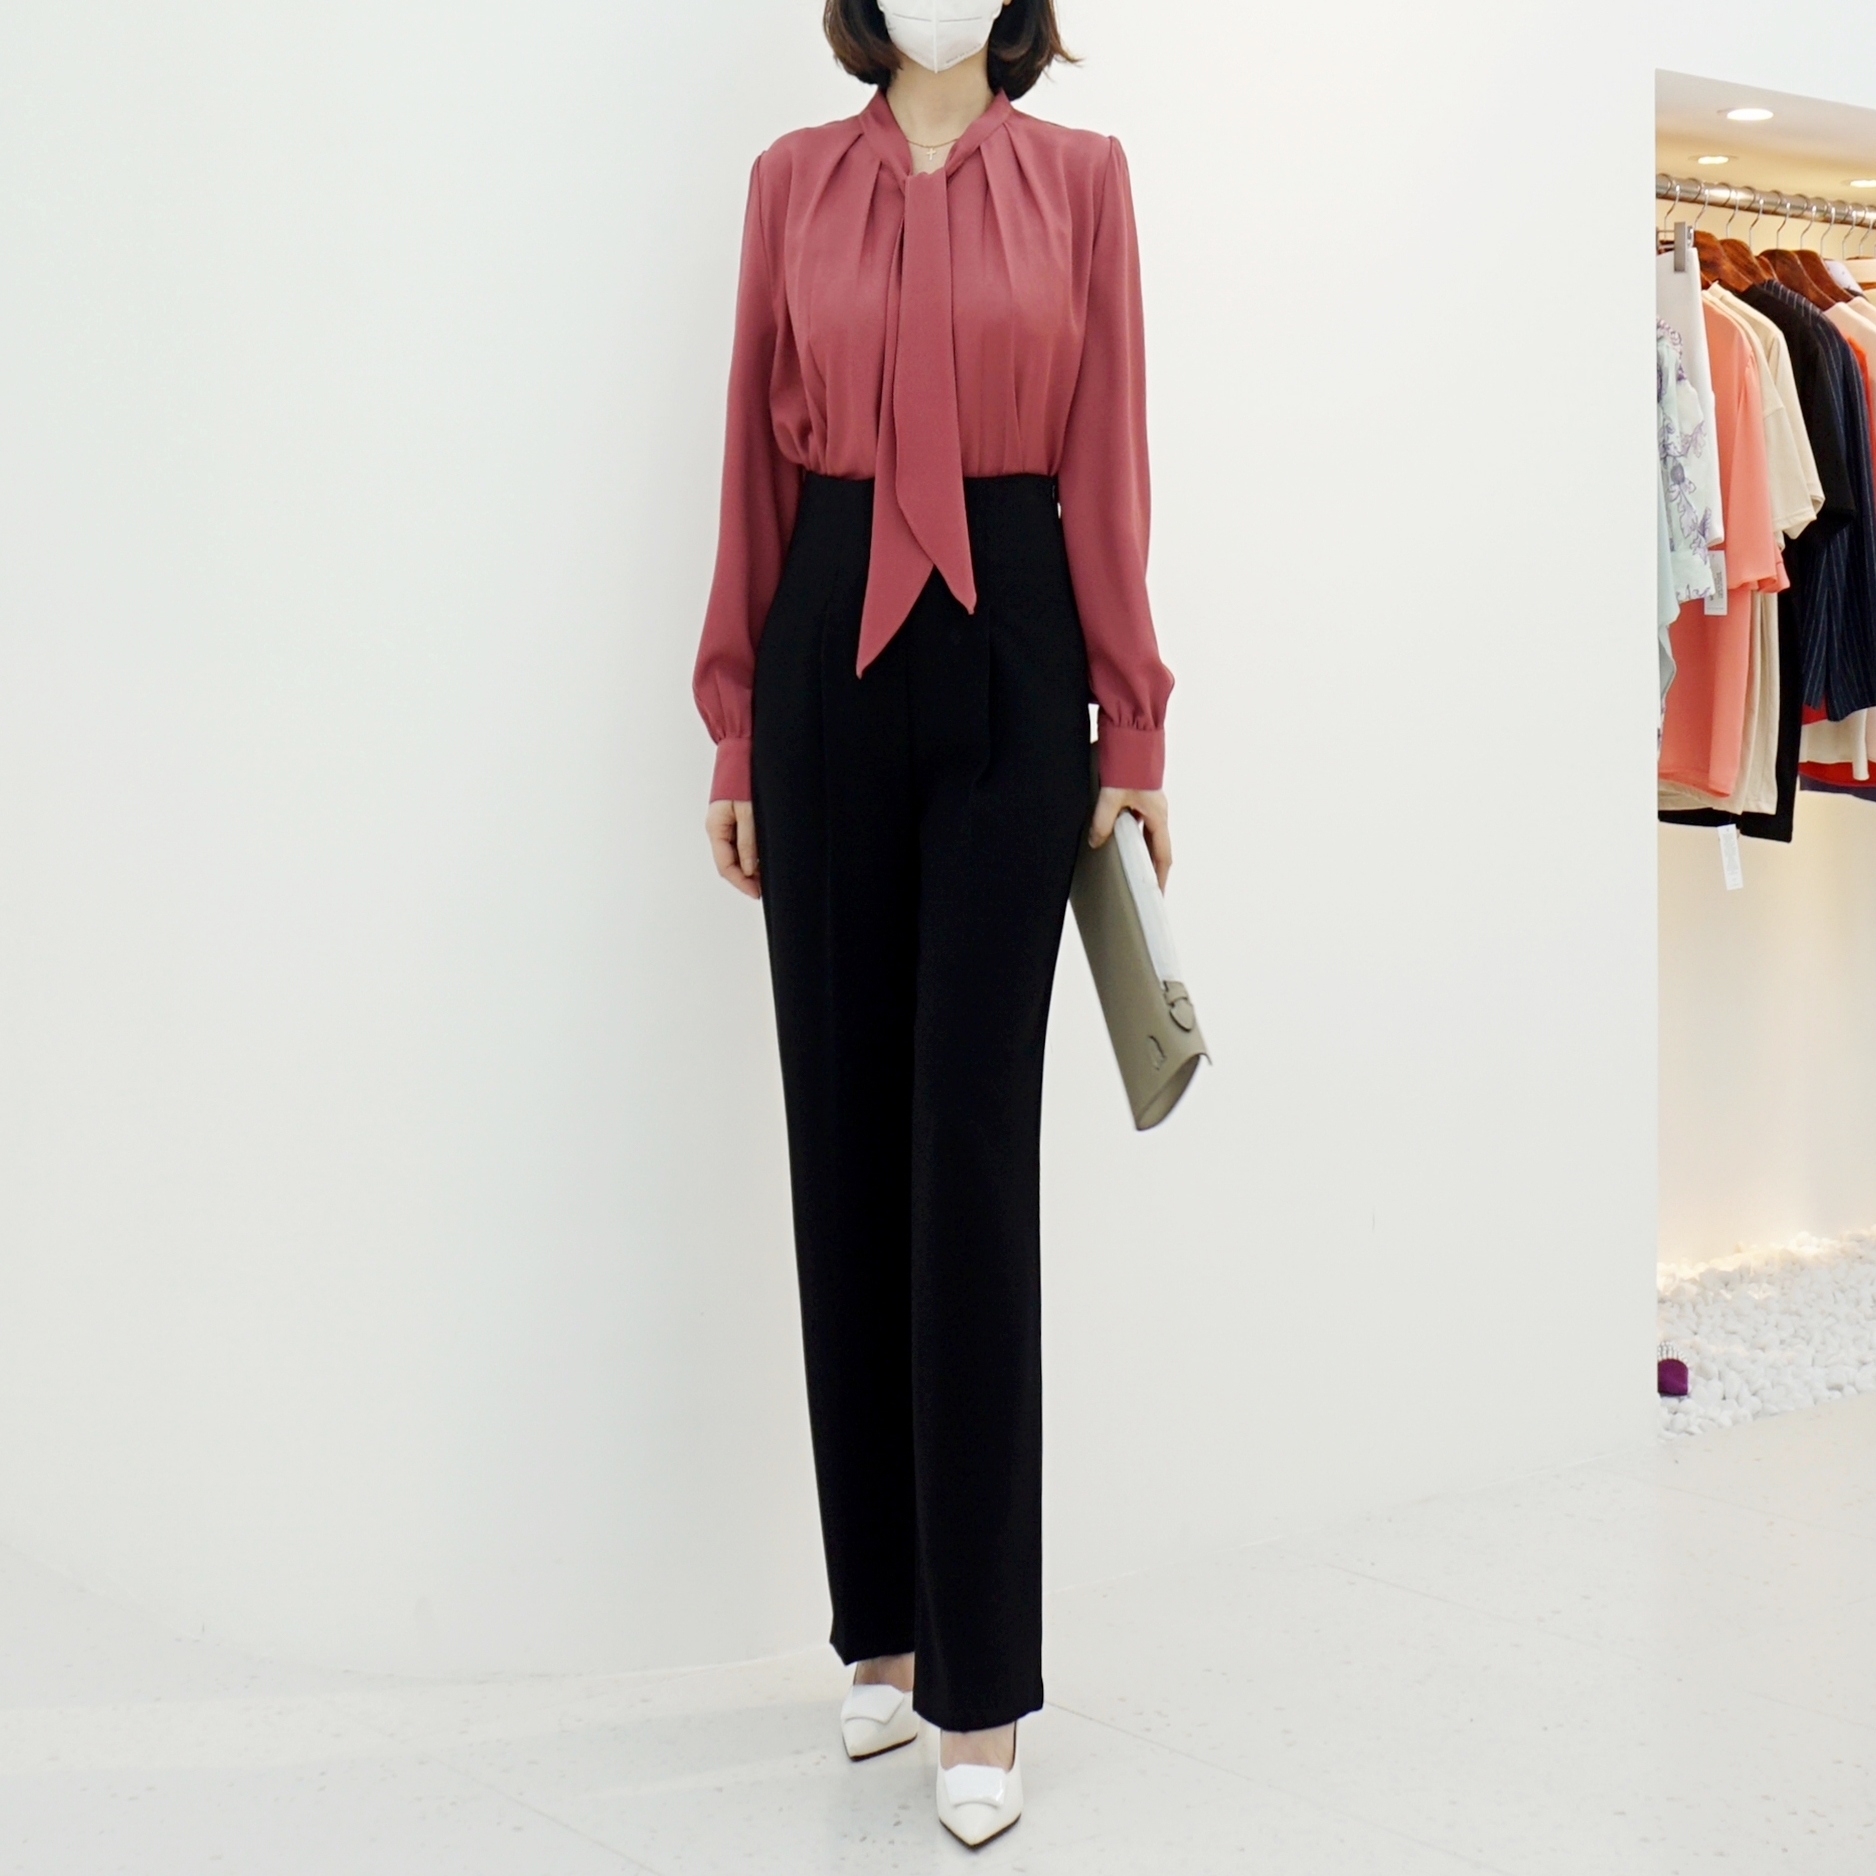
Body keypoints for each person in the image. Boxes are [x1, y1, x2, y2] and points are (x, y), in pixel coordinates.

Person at [691, 0, 1174, 1846]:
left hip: (1014, 643)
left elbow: (1109, 459)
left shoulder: (1085, 183)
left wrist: (1133, 722)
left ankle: (983, 1686)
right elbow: (750, 466)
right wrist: (736, 724)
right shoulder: (787, 185)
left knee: (969, 1153)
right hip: (825, 639)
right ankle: (879, 1631)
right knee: (842, 1144)